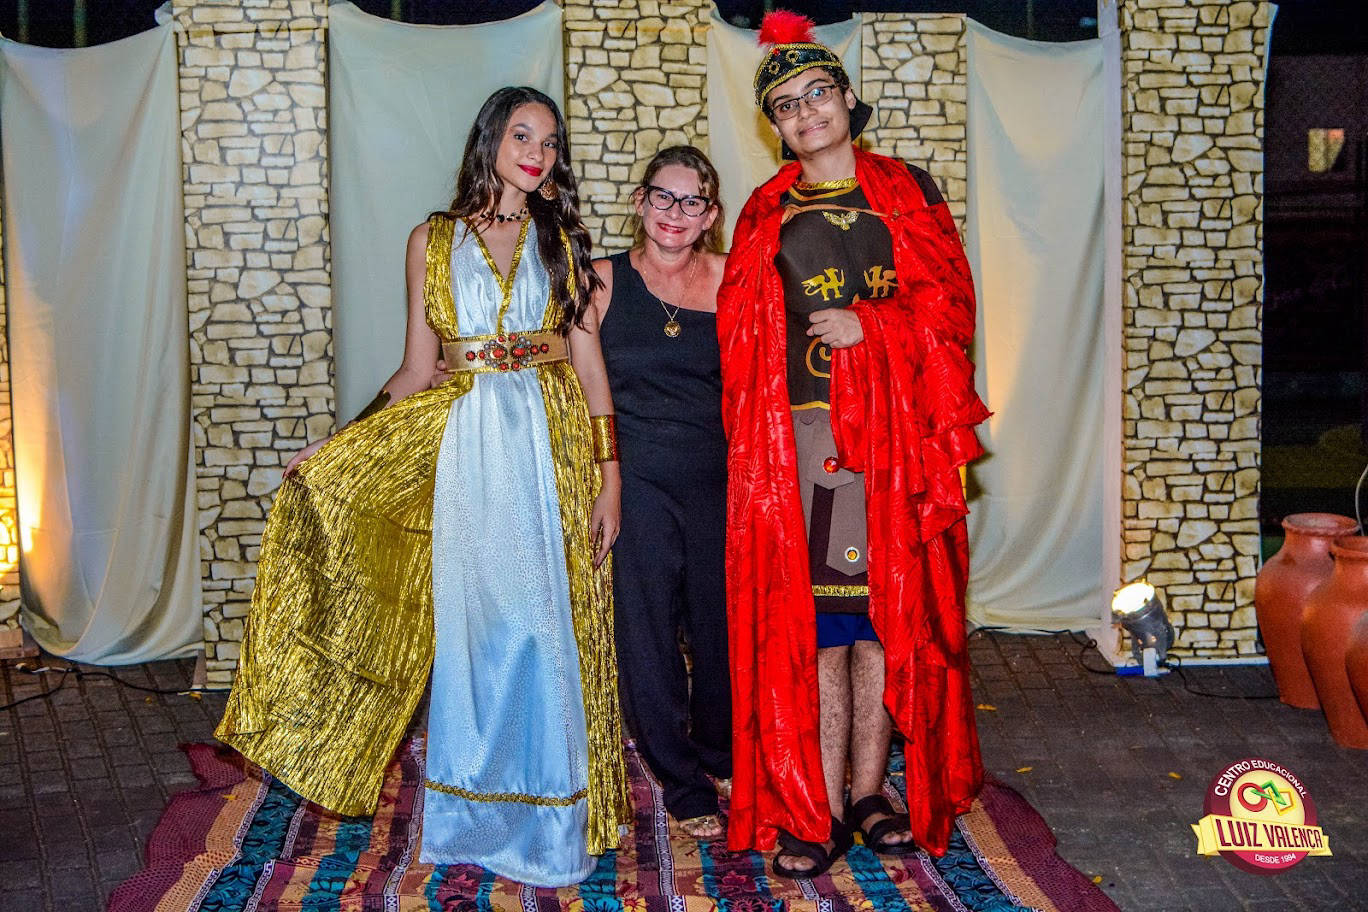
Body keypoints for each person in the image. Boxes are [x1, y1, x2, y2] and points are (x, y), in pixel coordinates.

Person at [215, 86, 631, 887]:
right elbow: (414, 369)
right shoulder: (432, 240)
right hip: (468, 450)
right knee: (477, 633)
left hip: (550, 448)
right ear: (490, 139)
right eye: (522, 134)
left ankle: (549, 825)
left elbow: (589, 364)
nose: (537, 152)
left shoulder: (563, 241)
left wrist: (610, 479)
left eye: (549, 141)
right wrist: (342, 444)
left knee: (544, 629)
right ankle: (474, 818)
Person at [717, 11, 990, 878]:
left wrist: (874, 327)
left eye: (817, 94)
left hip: (898, 441)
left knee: (883, 624)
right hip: (803, 445)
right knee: (824, 626)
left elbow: (952, 309)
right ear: (774, 124)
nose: (806, 113)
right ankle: (820, 805)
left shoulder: (908, 191)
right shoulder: (766, 212)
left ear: (845, 97)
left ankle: (870, 792)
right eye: (786, 105)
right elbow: (740, 334)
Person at [591, 146, 731, 840]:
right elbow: (561, 374)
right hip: (635, 479)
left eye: (692, 201)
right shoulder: (599, 281)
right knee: (645, 634)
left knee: (721, 628)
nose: (676, 212)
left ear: (710, 215)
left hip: (721, 477)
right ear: (640, 202)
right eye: (664, 197)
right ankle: (681, 780)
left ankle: (720, 752)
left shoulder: (732, 280)